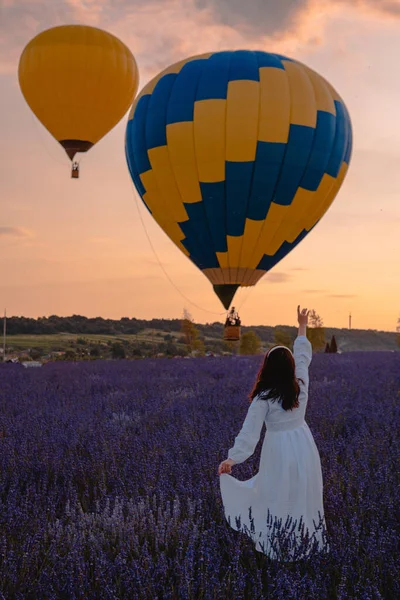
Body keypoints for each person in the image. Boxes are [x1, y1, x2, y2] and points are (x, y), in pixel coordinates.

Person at [218, 306, 328, 561]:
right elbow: (302, 357)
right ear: (289, 368)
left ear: (267, 368)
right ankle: (305, 543)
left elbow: (249, 434)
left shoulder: (263, 397)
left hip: (278, 447)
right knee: (303, 491)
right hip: (303, 444)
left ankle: (280, 547)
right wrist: (302, 326)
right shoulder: (300, 384)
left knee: (276, 493)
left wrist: (232, 459)